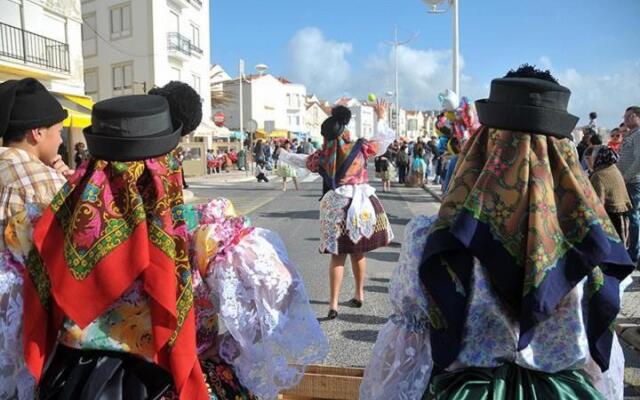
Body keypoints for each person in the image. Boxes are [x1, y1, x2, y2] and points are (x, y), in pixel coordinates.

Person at [3, 82, 328, 400]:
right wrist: (227, 346)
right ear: (167, 162)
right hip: (175, 381)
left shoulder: (40, 228)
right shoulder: (204, 229)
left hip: (76, 382)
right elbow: (281, 294)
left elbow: (16, 323)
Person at [361, 65, 633, 400]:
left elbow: (407, 362)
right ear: (565, 160)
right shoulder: (594, 245)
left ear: (482, 150)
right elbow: (598, 362)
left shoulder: (431, 238)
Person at [279, 102, 394, 319]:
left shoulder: (323, 156)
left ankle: (333, 305)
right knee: (358, 252)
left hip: (337, 205)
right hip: (361, 205)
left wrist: (284, 154)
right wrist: (381, 116)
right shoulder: (360, 148)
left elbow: (301, 161)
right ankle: (359, 294)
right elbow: (382, 141)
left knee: (337, 256)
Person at [0, 77, 74, 400]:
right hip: (25, 321)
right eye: (58, 131)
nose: (60, 141)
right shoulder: (45, 181)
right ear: (37, 133)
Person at [588, 145, 632, 244]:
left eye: (590, 158)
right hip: (622, 214)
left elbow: (598, 203)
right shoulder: (613, 169)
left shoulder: (598, 175)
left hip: (612, 217)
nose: (588, 161)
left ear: (597, 157)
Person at [617, 106, 640, 262]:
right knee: (628, 217)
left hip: (633, 181)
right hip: (625, 181)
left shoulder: (638, 134)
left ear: (637, 116)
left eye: (629, 116)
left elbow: (639, 160)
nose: (625, 119)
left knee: (633, 217)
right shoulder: (630, 134)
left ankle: (634, 253)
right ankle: (631, 249)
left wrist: (625, 177)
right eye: (625, 116)